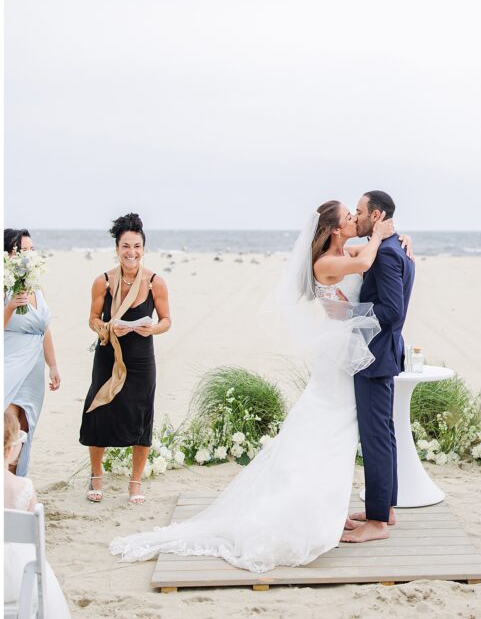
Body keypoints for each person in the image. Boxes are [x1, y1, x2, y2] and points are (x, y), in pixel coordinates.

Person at [109, 199, 405, 572]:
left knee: (337, 432)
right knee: (329, 428)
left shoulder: (345, 249)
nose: (353, 220)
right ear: (333, 229)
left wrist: (396, 236)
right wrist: (379, 233)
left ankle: (325, 508)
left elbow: (370, 253)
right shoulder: (327, 262)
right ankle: (308, 511)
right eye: (347, 217)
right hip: (339, 359)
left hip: (346, 353)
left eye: (354, 215)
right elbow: (364, 263)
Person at [79, 213, 171, 504]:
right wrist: (107, 327)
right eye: (126, 247)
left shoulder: (156, 282)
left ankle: (135, 483)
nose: (132, 253)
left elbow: (167, 320)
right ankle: (96, 476)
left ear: (144, 248)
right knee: (99, 409)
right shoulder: (103, 282)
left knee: (141, 416)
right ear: (117, 248)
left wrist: (151, 328)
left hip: (142, 358)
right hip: (109, 356)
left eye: (137, 246)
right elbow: (92, 319)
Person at [342, 190, 416, 544]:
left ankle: (377, 523)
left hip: (374, 354)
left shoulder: (387, 255)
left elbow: (392, 311)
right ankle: (384, 508)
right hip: (382, 353)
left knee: (375, 437)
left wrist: (346, 314)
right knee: (383, 433)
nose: (355, 216)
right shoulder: (396, 247)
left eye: (359, 211)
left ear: (377, 214)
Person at [4, 408, 79, 619]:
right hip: (15, 587)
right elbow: (39, 539)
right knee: (42, 580)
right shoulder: (23, 487)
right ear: (12, 449)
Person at [4, 229, 61, 476]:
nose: (29, 255)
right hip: (10, 361)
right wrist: (9, 307)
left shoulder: (36, 286)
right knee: (9, 423)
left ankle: (14, 483)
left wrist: (53, 365)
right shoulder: (5, 283)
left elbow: (44, 328)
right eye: (23, 250)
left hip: (34, 367)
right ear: (9, 255)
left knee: (26, 425)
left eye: (31, 249)